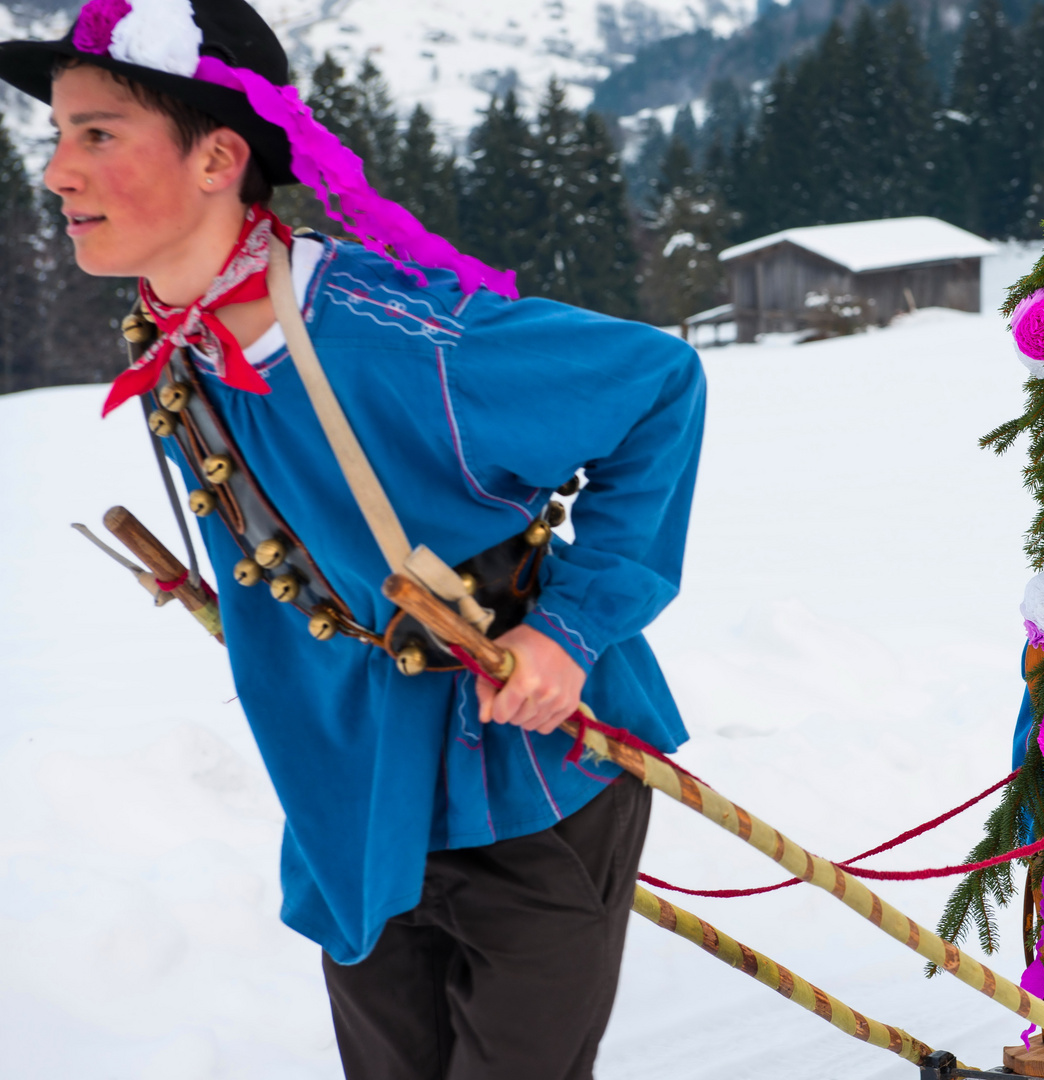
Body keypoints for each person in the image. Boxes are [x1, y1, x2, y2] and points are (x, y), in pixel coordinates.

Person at [0, 3, 705, 1077]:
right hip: (349, 802)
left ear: (218, 158)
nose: (57, 171)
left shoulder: (390, 336)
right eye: (59, 136)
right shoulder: (173, 336)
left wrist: (568, 633)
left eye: (97, 133)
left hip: (521, 779)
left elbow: (657, 385)